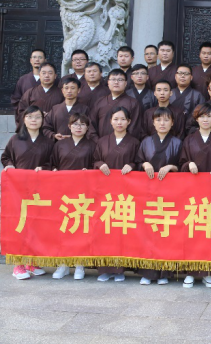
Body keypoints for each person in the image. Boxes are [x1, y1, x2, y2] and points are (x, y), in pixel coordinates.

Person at [2, 105, 55, 281]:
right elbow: (5, 157)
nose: (34, 120)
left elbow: (52, 162)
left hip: (40, 190)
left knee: (36, 225)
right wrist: (10, 165)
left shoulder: (48, 142)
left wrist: (44, 168)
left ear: (42, 120)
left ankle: (32, 262)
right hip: (19, 190)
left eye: (38, 117)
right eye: (30, 117)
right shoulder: (15, 139)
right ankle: (18, 264)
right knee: (20, 225)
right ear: (24, 119)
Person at [178, 103, 211, 289]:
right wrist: (188, 164)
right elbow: (181, 162)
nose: (206, 119)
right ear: (196, 119)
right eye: (202, 116)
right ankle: (190, 272)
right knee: (192, 230)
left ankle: (208, 272)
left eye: (209, 116)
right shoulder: (189, 140)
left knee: (210, 231)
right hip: (193, 191)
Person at [135, 106, 182, 286]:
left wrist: (171, 167)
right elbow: (137, 162)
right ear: (153, 123)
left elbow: (183, 165)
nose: (162, 123)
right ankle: (147, 273)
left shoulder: (177, 143)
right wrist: (144, 164)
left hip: (170, 194)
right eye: (158, 120)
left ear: (172, 123)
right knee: (148, 231)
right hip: (148, 193)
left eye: (166, 120)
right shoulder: (146, 142)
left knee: (166, 232)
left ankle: (164, 273)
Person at [93, 106, 140, 283]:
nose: (119, 122)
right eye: (116, 119)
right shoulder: (102, 141)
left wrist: (132, 166)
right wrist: (100, 164)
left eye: (123, 119)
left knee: (122, 230)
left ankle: (120, 269)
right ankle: (105, 269)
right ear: (110, 121)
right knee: (105, 230)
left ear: (129, 122)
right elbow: (94, 160)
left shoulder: (134, 142)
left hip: (126, 194)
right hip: (105, 193)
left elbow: (139, 161)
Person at [50, 112, 95, 281]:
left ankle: (79, 264)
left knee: (80, 228)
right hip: (63, 191)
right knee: (63, 228)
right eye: (75, 124)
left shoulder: (92, 145)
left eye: (82, 124)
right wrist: (54, 170)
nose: (78, 127)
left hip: (84, 193)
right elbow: (52, 163)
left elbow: (96, 164)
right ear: (69, 126)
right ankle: (62, 264)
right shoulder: (60, 145)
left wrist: (89, 172)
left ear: (87, 127)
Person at [88, 69, 143, 142]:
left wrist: (122, 144)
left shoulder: (133, 103)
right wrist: (98, 142)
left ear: (125, 83)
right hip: (100, 144)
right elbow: (91, 125)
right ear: (108, 82)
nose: (116, 82)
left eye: (120, 80)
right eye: (113, 79)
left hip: (124, 146)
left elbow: (134, 128)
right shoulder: (100, 102)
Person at [16, 62, 64, 128]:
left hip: (53, 129)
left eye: (50, 73)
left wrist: (51, 116)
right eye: (44, 73)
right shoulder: (30, 92)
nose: (47, 76)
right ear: (39, 75)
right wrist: (34, 115)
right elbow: (21, 111)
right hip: (33, 128)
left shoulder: (62, 93)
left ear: (55, 76)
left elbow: (65, 112)